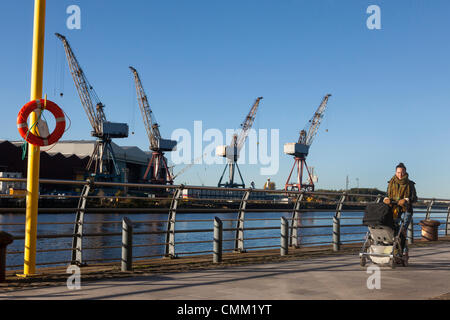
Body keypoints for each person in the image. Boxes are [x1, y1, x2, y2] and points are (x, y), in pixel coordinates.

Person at [383, 162, 417, 254]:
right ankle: (393, 250)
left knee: (402, 230)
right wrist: (386, 199)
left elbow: (414, 198)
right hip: (394, 209)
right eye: (398, 172)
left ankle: (404, 251)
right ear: (395, 172)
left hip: (406, 209)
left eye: (402, 172)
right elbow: (387, 195)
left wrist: (406, 200)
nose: (400, 174)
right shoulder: (391, 183)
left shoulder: (410, 184)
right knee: (393, 230)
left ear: (405, 172)